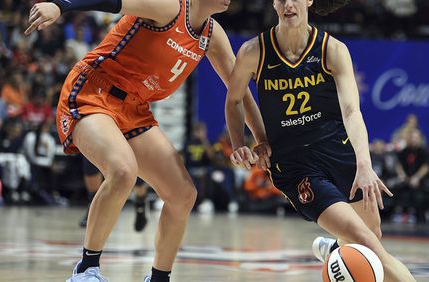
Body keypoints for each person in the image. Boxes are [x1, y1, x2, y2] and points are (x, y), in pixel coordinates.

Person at [26, 0, 267, 281]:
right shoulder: (168, 7)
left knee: (183, 194)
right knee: (123, 170)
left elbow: (240, 94)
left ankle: (159, 278)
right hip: (92, 91)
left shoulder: (213, 35)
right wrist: (60, 5)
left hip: (134, 109)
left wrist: (260, 139)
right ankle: (86, 270)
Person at [225, 0, 415, 281]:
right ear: (274, 3)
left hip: (338, 151)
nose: (289, 4)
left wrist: (364, 164)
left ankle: (335, 251)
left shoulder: (333, 49)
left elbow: (352, 111)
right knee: (367, 243)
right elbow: (234, 99)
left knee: (371, 234)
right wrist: (241, 141)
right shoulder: (254, 51)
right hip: (295, 164)